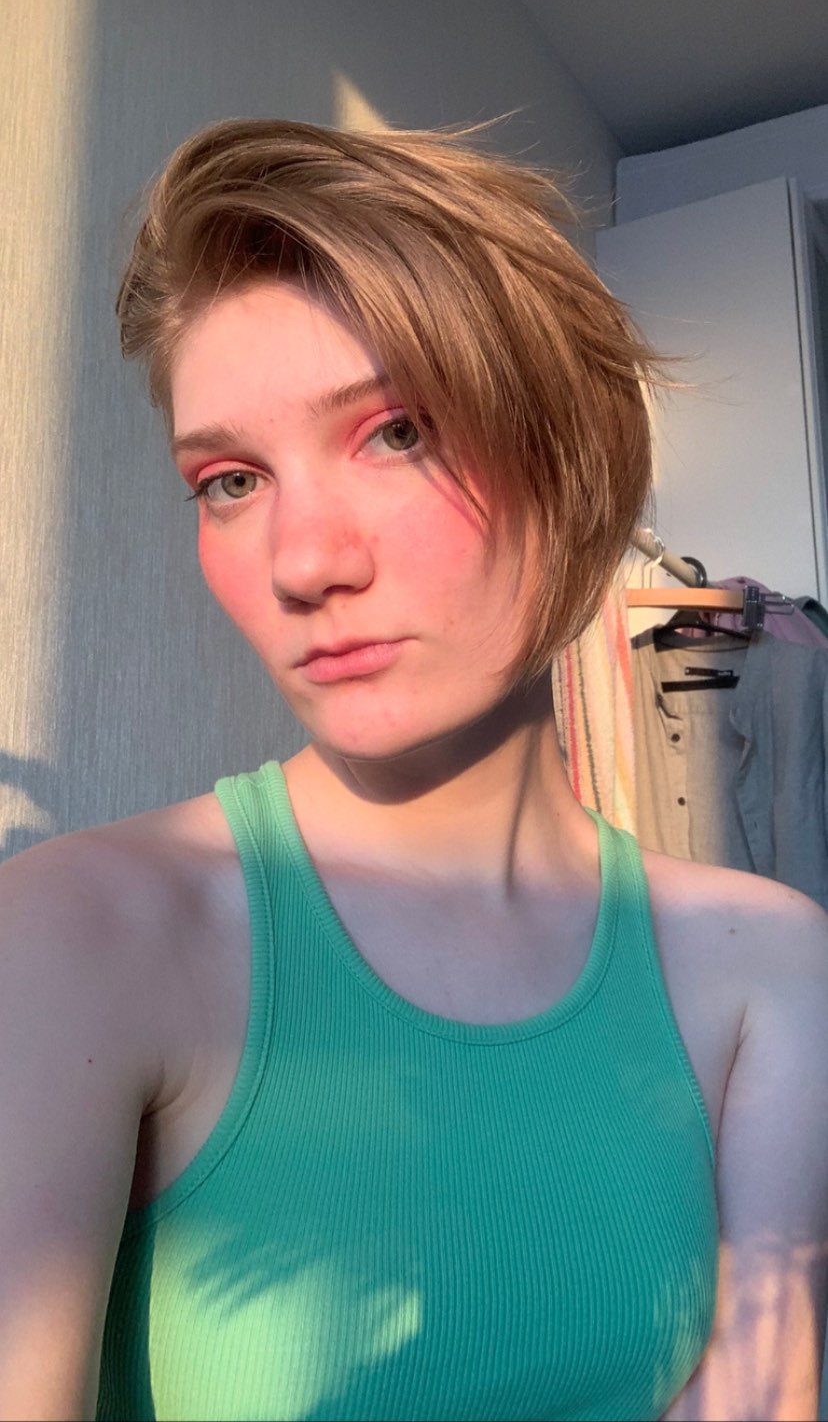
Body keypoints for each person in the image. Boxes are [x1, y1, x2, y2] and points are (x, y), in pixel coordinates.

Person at [1, 118, 827, 1422]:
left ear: (569, 464)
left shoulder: (765, 966)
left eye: (395, 433)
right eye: (231, 480)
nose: (302, 562)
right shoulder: (74, 936)